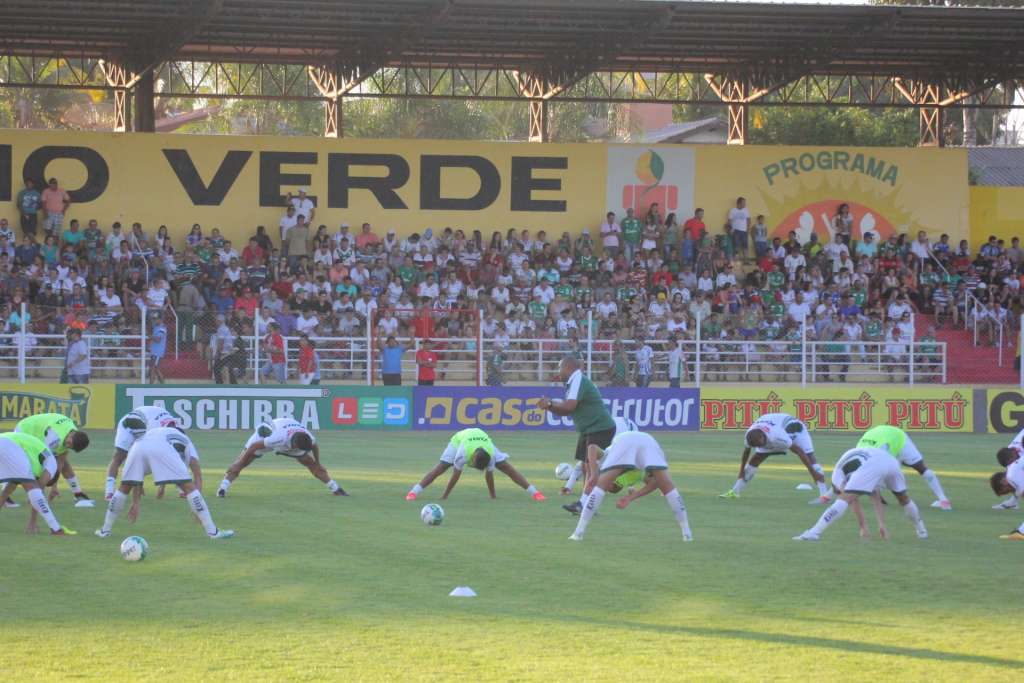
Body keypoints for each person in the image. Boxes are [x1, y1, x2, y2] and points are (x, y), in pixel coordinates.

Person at [95, 427, 234, 540]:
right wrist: (196, 509)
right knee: (189, 487)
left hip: (137, 446)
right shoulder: (186, 441)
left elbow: (137, 479)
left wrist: (136, 502)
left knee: (123, 487)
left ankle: (105, 530)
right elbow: (194, 474)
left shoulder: (158, 431)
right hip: (158, 447)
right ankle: (213, 532)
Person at [568, 430, 692, 542]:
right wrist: (629, 498)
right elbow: (655, 483)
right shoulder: (634, 474)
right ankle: (687, 534)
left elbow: (592, 447)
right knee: (668, 486)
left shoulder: (610, 458)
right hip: (648, 440)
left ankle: (578, 533)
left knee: (599, 487)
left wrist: (594, 475)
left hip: (626, 441)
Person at [794, 446, 928, 541]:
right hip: (890, 461)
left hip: (871, 463)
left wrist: (863, 527)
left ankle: (814, 532)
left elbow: (850, 499)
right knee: (903, 499)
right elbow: (876, 496)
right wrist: (882, 525)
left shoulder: (837, 477)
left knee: (844, 499)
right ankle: (922, 531)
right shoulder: (849, 469)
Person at [539, 356, 616, 515]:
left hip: (599, 427)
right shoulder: (574, 381)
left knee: (591, 467)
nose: (558, 372)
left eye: (560, 368)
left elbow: (569, 407)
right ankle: (587, 505)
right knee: (585, 466)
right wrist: (550, 407)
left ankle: (585, 504)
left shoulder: (577, 379)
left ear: (568, 368)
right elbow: (567, 410)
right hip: (589, 429)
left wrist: (550, 404)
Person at [217, 418, 348, 497]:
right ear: (295, 444)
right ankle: (223, 488)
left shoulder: (308, 438)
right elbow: (253, 447)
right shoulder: (278, 437)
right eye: (298, 448)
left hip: (288, 437)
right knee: (243, 462)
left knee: (310, 463)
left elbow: (314, 446)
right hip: (264, 437)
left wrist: (318, 463)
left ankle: (335, 488)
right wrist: (240, 461)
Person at [405, 428, 545, 501]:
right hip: (460, 439)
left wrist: (493, 496)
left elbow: (489, 476)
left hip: (483, 438)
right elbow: (455, 476)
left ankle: (536, 493)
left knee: (507, 468)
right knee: (441, 467)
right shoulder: (462, 453)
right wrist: (445, 495)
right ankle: (413, 492)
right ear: (471, 459)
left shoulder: (491, 454)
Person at [719, 412, 830, 503]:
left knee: (810, 457)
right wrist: (741, 472)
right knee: (755, 459)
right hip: (773, 426)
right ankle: (735, 492)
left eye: (760, 444)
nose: (759, 447)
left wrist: (813, 473)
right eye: (757, 446)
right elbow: (746, 453)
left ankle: (824, 496)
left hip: (795, 428)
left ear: (763, 437)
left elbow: (799, 451)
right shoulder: (750, 436)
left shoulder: (777, 436)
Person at [856, 425, 950, 510]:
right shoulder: (859, 454)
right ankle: (944, 501)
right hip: (885, 437)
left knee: (918, 468)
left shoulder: (868, 459)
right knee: (919, 468)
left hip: (899, 438)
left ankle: (943, 501)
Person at [0, 432, 72, 535]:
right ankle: (56, 528)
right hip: (10, 445)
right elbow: (37, 489)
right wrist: (33, 520)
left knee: (13, 489)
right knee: (33, 487)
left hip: (4, 439)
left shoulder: (27, 463)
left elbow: (7, 491)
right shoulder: (52, 465)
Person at [13, 412, 91, 503]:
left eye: (70, 447)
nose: (67, 446)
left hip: (39, 430)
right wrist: (51, 487)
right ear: (71, 435)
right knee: (26, 466)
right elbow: (48, 464)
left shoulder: (74, 433)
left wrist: (54, 487)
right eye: (69, 443)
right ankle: (34, 496)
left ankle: (78, 493)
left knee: (64, 461)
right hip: (25, 430)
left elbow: (60, 462)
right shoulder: (54, 439)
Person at [105, 405, 179, 500]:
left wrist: (162, 486)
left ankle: (133, 485)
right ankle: (109, 491)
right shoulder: (156, 430)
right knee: (119, 456)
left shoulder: (173, 432)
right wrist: (139, 484)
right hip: (128, 423)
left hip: (144, 422)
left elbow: (165, 457)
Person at [988, 448, 1024, 540]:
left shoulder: (1013, 476)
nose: (1009, 492)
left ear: (1003, 482)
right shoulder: (1014, 474)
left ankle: (1021, 533)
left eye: (1005, 491)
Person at [148, 315, 167, 384]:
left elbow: (158, 340)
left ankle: (152, 385)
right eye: (153, 319)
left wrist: (150, 336)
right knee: (154, 368)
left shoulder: (162, 328)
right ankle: (162, 385)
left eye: (156, 319)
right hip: (154, 351)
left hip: (158, 352)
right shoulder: (155, 327)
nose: (154, 320)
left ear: (160, 319)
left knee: (154, 368)